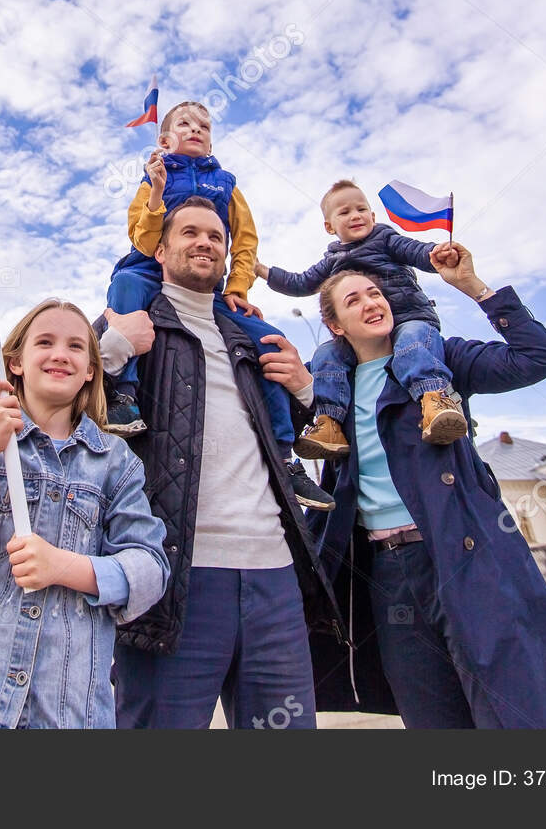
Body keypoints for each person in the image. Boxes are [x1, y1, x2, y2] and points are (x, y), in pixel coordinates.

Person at [258, 249, 546, 728]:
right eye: (353, 300)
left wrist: (475, 288)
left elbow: (540, 357)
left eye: (375, 293)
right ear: (335, 326)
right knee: (432, 717)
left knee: (519, 708)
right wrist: (302, 389)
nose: (371, 302)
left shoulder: (437, 359)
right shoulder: (332, 391)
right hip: (385, 575)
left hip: (464, 557)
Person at [100, 196, 343, 728]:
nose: (205, 241)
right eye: (189, 232)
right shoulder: (131, 321)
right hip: (171, 577)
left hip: (275, 575)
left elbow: (315, 435)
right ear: (159, 250)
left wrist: (304, 389)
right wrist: (115, 344)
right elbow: (65, 403)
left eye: (215, 235)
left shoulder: (249, 335)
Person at [0, 298, 169, 729]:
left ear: (91, 370)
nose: (61, 353)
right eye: (45, 342)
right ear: (15, 363)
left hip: (68, 716)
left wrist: (63, 566)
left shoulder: (117, 462)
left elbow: (150, 572)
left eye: (77, 346)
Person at [104, 100, 332, 510]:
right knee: (123, 288)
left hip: (209, 285)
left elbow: (244, 242)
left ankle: (285, 456)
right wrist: (157, 194)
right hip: (147, 268)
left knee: (271, 341)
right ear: (164, 138)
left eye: (204, 126)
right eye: (185, 124)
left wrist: (239, 288)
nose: (196, 130)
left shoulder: (226, 184)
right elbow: (141, 240)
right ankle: (123, 395)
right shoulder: (152, 177)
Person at [257, 178, 466, 459]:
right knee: (326, 355)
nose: (355, 216)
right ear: (329, 227)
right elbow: (301, 283)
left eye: (361, 209)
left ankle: (434, 401)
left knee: (413, 344)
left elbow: (415, 251)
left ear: (373, 216)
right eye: (344, 212)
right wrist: (262, 270)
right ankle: (329, 422)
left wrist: (436, 253)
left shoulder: (386, 238)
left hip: (408, 318)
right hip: (361, 336)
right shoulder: (332, 259)